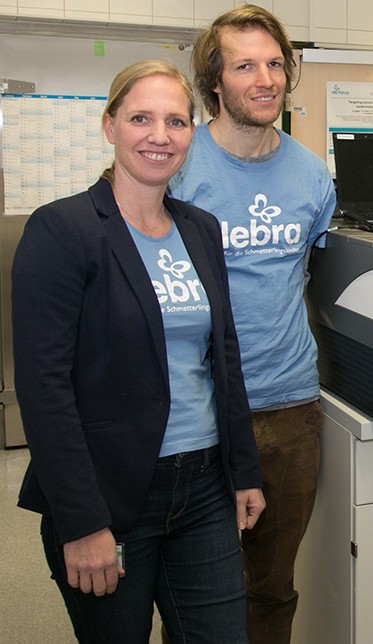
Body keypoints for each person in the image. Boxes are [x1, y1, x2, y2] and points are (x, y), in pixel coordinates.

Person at [11, 59, 264, 643]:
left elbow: (222, 357)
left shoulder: (200, 228)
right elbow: (43, 388)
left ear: (191, 136)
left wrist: (243, 471)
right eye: (141, 118)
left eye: (176, 122)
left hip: (202, 486)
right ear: (109, 126)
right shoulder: (63, 230)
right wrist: (81, 522)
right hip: (111, 494)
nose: (159, 135)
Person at [167, 6, 337, 643]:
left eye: (274, 64)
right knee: (195, 591)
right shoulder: (180, 169)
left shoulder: (311, 173)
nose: (264, 79)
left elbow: (315, 274)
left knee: (271, 587)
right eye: (245, 66)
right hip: (201, 409)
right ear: (216, 79)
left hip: (291, 406)